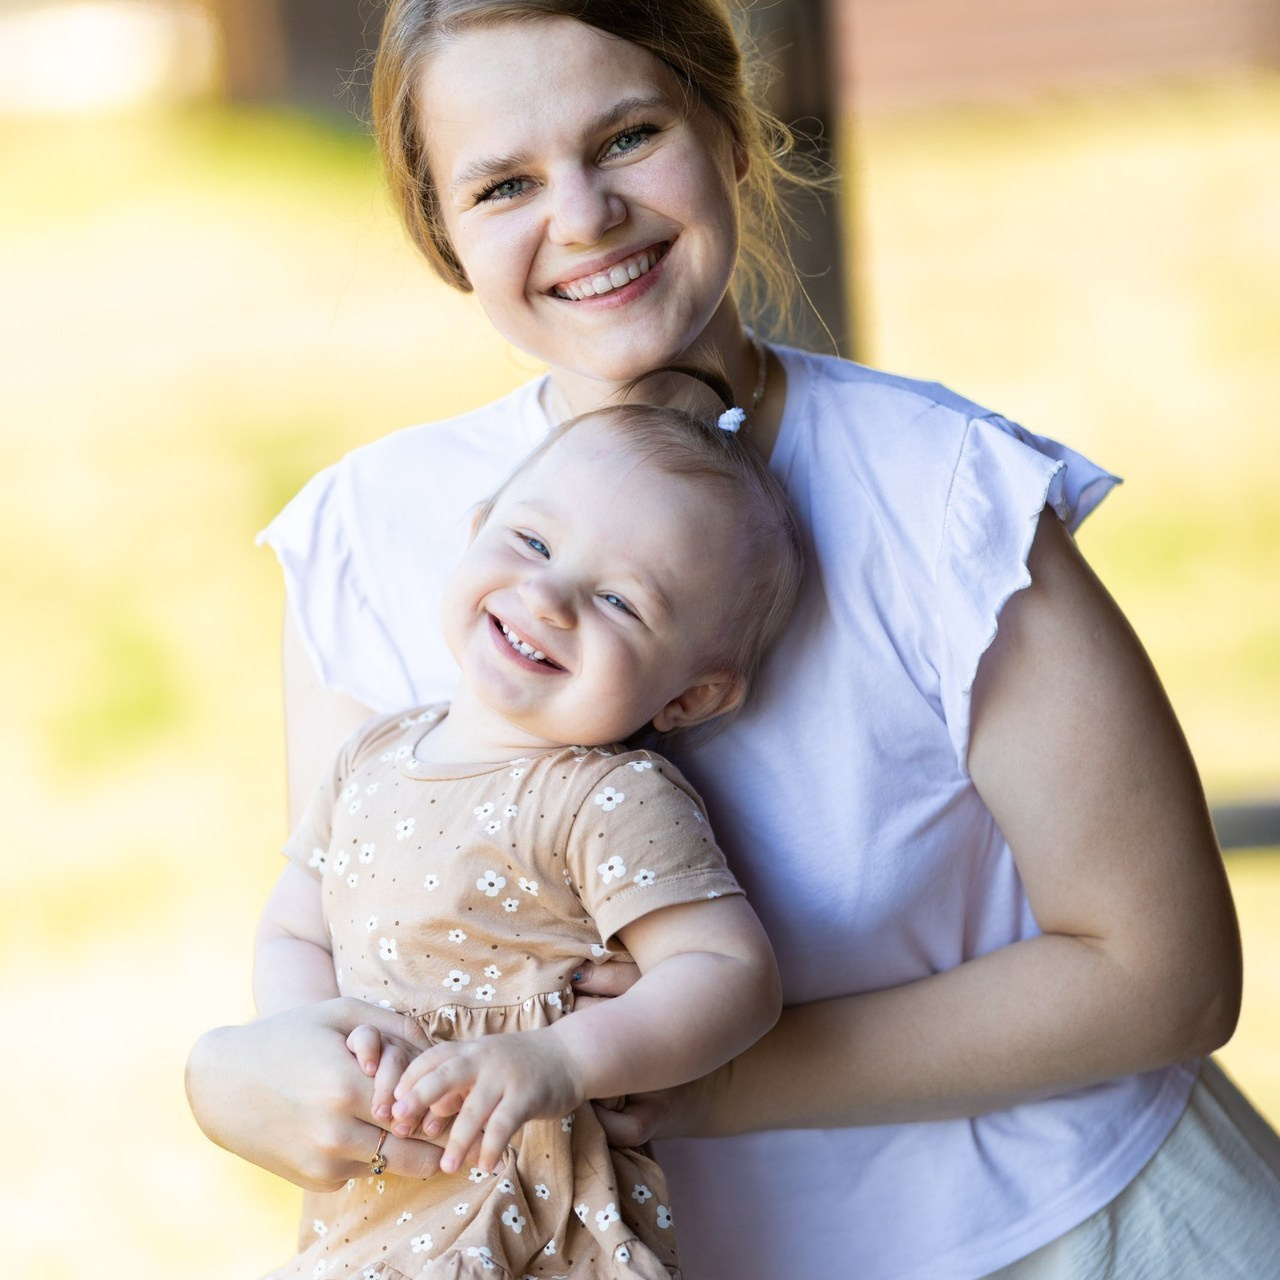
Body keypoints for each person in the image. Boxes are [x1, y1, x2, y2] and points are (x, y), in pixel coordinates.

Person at [186, 2, 1280, 1277]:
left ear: (730, 132)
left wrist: (709, 1080)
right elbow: (343, 944)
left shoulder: (939, 495)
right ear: (445, 234)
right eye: (503, 184)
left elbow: (1164, 972)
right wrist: (234, 1074)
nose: (583, 216)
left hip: (1074, 1227)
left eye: (629, 134)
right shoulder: (372, 534)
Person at [251, 396, 798, 1278]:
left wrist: (563, 1057)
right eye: (532, 544)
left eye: (620, 601)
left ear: (689, 697)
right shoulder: (371, 756)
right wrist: (301, 1037)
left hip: (527, 1222)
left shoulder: (604, 796)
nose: (546, 596)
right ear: (475, 533)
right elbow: (293, 928)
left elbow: (733, 974)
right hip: (372, 1220)